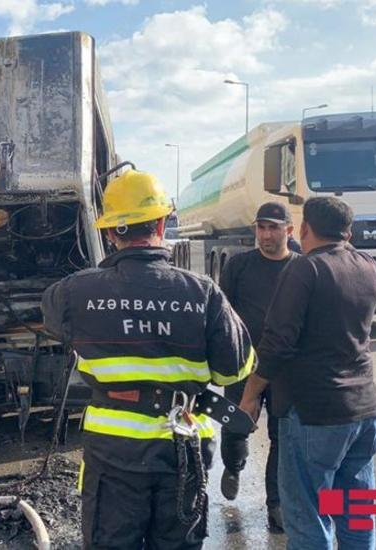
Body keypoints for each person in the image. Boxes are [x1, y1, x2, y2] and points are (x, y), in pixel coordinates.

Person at [42, 167, 256, 549]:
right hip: (184, 446)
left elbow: (54, 322)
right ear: (162, 222)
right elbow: (234, 370)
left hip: (113, 450)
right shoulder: (203, 293)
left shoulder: (74, 292)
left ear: (110, 232)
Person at [239, 197, 376, 550]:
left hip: (315, 416)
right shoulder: (367, 264)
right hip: (364, 413)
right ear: (347, 231)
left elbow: (277, 343)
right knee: (355, 511)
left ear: (303, 229)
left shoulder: (305, 268)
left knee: (308, 516)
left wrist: (251, 393)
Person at [218, 202, 299, 533]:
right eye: (261, 228)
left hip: (284, 368)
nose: (266, 235)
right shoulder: (239, 266)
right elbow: (223, 315)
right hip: (243, 366)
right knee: (236, 426)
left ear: (289, 231)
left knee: (282, 437)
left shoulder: (301, 268)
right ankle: (233, 465)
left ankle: (275, 505)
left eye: (273, 228)